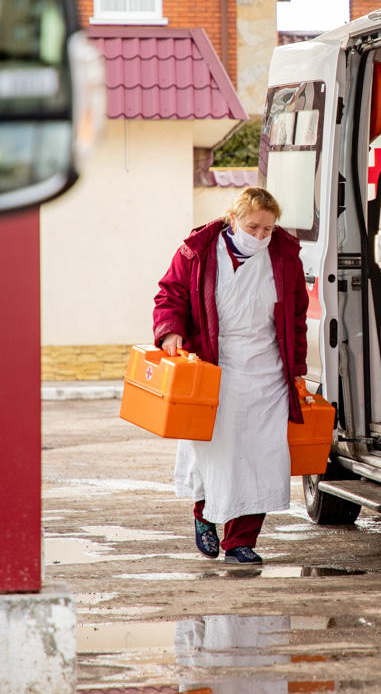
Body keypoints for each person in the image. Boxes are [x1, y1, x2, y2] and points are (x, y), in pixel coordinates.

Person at [152, 187, 308, 565]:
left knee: (263, 455)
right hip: (215, 365)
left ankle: (241, 540)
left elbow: (297, 317)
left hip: (267, 368)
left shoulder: (285, 256)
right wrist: (171, 330)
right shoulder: (198, 250)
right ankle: (204, 515)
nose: (259, 236)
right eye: (252, 227)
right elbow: (169, 294)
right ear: (233, 219)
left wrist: (298, 371)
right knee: (218, 452)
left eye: (267, 230)